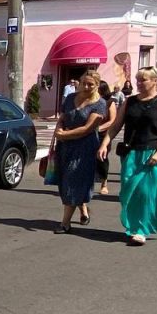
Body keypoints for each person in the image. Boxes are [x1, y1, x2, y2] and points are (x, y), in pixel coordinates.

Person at [98, 67, 157, 246]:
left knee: (145, 192)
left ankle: (140, 230)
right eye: (137, 79)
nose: (139, 83)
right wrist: (104, 143)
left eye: (143, 80)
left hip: (153, 154)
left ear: (155, 81)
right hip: (131, 153)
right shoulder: (130, 101)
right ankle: (134, 225)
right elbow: (116, 125)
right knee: (128, 192)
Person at [54, 71, 107, 231]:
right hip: (65, 146)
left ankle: (65, 223)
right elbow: (62, 118)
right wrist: (58, 130)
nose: (86, 87)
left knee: (72, 181)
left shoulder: (100, 103)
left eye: (90, 84)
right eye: (84, 83)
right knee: (67, 181)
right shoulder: (71, 98)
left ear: (97, 85)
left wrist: (64, 134)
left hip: (84, 148)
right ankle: (83, 209)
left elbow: (87, 129)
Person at [95, 81, 119, 195]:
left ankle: (104, 183)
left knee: (102, 158)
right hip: (89, 134)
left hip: (103, 135)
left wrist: (98, 128)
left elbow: (112, 120)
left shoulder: (110, 102)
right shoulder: (90, 101)